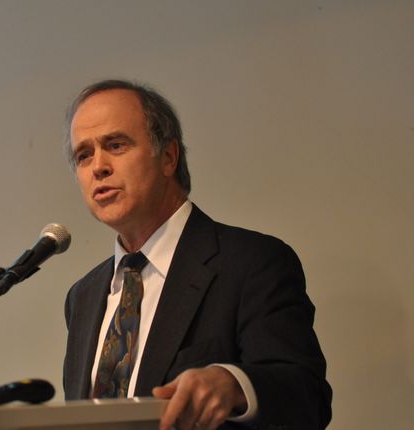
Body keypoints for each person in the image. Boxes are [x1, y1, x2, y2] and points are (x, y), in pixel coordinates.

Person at [62, 79, 333, 430]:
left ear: (168, 157)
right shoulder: (82, 297)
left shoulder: (252, 263)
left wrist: (235, 385)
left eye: (115, 145)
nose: (98, 166)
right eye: (84, 155)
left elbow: (308, 399)